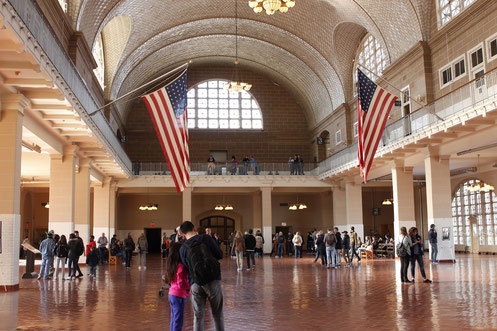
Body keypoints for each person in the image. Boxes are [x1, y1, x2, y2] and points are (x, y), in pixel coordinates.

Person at [179, 221, 224, 331]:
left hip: (196, 282)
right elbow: (219, 254)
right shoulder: (206, 238)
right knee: (217, 314)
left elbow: (186, 267)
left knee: (198, 316)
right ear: (194, 228)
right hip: (213, 280)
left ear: (183, 234)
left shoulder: (183, 248)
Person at [165, 243, 191, 331]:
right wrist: (189, 287)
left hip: (171, 293)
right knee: (178, 320)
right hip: (179, 295)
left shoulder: (171, 265)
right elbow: (181, 283)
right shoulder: (181, 266)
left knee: (173, 318)